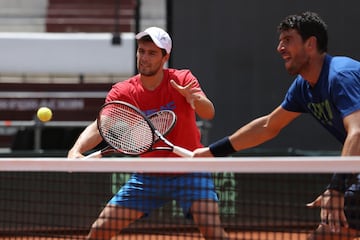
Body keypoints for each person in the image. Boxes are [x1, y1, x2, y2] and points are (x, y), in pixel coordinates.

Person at [193, 11, 360, 240]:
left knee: (336, 227)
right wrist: (212, 152)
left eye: (288, 40)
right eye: (280, 41)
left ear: (310, 44)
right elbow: (268, 126)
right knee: (335, 228)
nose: (280, 48)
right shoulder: (303, 87)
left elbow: (357, 133)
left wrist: (336, 188)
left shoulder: (341, 75)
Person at [67, 27, 229, 240]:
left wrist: (194, 99)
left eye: (152, 53)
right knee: (99, 231)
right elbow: (101, 125)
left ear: (165, 57)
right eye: (141, 51)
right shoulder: (123, 91)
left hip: (191, 171)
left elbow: (209, 112)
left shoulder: (182, 79)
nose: (144, 57)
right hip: (147, 176)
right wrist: (76, 151)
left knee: (212, 232)